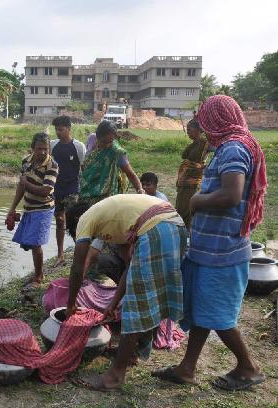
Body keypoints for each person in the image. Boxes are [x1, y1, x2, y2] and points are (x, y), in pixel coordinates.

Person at [153, 95, 267, 391]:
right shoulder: (233, 145)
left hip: (223, 251)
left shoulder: (233, 148)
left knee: (217, 314)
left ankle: (248, 366)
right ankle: (187, 368)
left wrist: (197, 200)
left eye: (205, 120)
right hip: (213, 248)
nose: (203, 127)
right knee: (204, 309)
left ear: (217, 118)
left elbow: (231, 195)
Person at [65, 194, 187, 390]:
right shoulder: (117, 225)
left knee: (136, 304)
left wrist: (70, 304)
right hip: (174, 226)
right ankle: (131, 353)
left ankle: (115, 375)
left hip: (157, 228)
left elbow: (78, 269)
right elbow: (131, 268)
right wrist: (112, 304)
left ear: (75, 222)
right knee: (149, 298)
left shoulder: (85, 219)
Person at [7, 132, 59, 287]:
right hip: (29, 207)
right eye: (39, 148)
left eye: (46, 149)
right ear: (33, 148)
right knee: (30, 243)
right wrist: (12, 208)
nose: (43, 152)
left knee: (36, 243)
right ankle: (37, 273)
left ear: (49, 149)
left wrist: (25, 183)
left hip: (43, 208)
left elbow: (45, 191)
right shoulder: (26, 161)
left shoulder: (52, 165)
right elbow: (20, 187)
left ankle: (39, 277)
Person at [50, 116, 86, 267]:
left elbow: (84, 169)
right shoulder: (52, 145)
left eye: (61, 129)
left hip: (73, 188)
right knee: (59, 221)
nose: (58, 132)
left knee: (74, 221)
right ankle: (60, 255)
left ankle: (80, 252)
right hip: (57, 188)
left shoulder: (78, 147)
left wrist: (84, 190)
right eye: (56, 129)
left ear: (69, 129)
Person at [79, 121, 144, 205]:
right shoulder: (91, 139)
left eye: (110, 142)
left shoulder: (117, 152)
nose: (107, 145)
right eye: (104, 141)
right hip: (85, 189)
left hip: (105, 197)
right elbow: (85, 163)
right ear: (98, 137)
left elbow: (130, 174)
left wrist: (140, 190)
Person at [175, 119, 209, 230]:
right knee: (181, 209)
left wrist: (203, 167)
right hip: (184, 183)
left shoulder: (205, 144)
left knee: (187, 211)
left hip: (192, 184)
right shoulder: (194, 144)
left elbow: (217, 153)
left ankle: (188, 234)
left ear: (199, 130)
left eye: (190, 129)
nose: (188, 132)